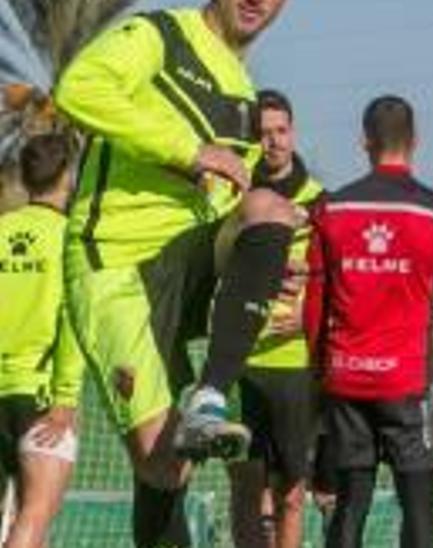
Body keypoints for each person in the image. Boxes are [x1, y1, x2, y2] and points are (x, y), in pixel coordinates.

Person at [54, 1, 293, 544]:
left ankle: (209, 393)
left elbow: (221, 202)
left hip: (184, 263)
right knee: (164, 465)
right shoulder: (161, 34)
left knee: (270, 211)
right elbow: (78, 86)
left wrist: (259, 263)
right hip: (116, 264)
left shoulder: (244, 90)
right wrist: (189, 150)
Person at [303, 95, 433, 548]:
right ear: (415, 142)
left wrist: (319, 370)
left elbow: (314, 303)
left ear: (364, 142)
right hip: (407, 385)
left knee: (348, 509)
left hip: (345, 380)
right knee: (418, 512)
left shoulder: (331, 209)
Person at [225, 89, 325, 548]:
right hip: (239, 364)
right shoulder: (233, 196)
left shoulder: (322, 202)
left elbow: (338, 280)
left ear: (293, 132)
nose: (274, 142)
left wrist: (308, 311)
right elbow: (213, 266)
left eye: (281, 131)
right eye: (263, 134)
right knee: (245, 491)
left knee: (289, 496)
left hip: (295, 369)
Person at [0, 135, 86, 548]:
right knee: (34, 516)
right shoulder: (71, 239)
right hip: (39, 396)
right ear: (68, 177)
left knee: (27, 527)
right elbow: (74, 319)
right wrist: (65, 398)